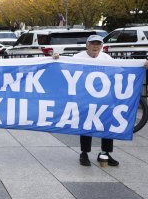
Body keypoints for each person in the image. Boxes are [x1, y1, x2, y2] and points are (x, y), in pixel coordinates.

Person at [54, 34, 148, 167]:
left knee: (107, 125)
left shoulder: (106, 58)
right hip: (84, 98)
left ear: (102, 46)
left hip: (104, 99)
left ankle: (105, 153)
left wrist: (140, 65)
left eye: (98, 44)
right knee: (87, 125)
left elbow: (122, 70)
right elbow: (64, 67)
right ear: (87, 45)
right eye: (92, 44)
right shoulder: (78, 57)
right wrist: (57, 59)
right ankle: (84, 154)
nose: (95, 46)